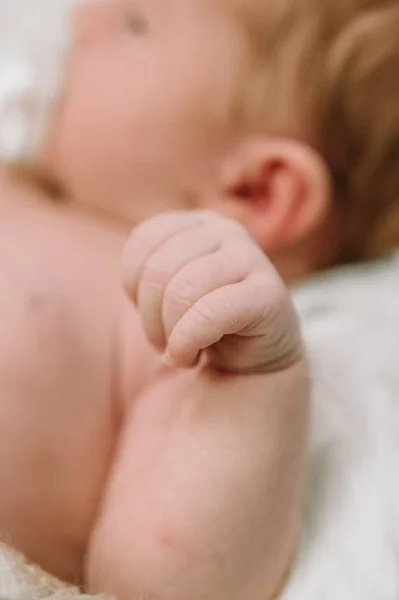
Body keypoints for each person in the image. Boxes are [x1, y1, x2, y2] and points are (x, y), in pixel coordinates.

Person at [0, 0, 398, 599]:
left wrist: (251, 382)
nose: (84, 15)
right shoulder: (31, 189)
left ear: (256, 190)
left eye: (137, 24)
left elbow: (159, 587)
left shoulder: (177, 331)